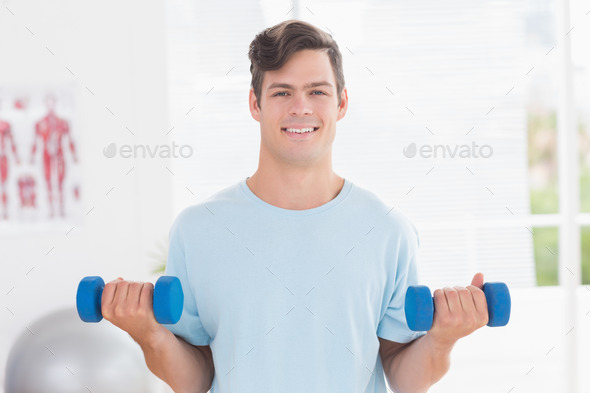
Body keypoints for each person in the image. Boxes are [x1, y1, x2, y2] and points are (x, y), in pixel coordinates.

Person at [100, 20, 490, 393]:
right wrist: (148, 333)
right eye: (282, 92)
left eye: (318, 91)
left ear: (342, 103)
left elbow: (405, 379)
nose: (300, 107)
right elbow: (194, 380)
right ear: (255, 103)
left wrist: (441, 339)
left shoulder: (389, 231)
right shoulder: (197, 229)